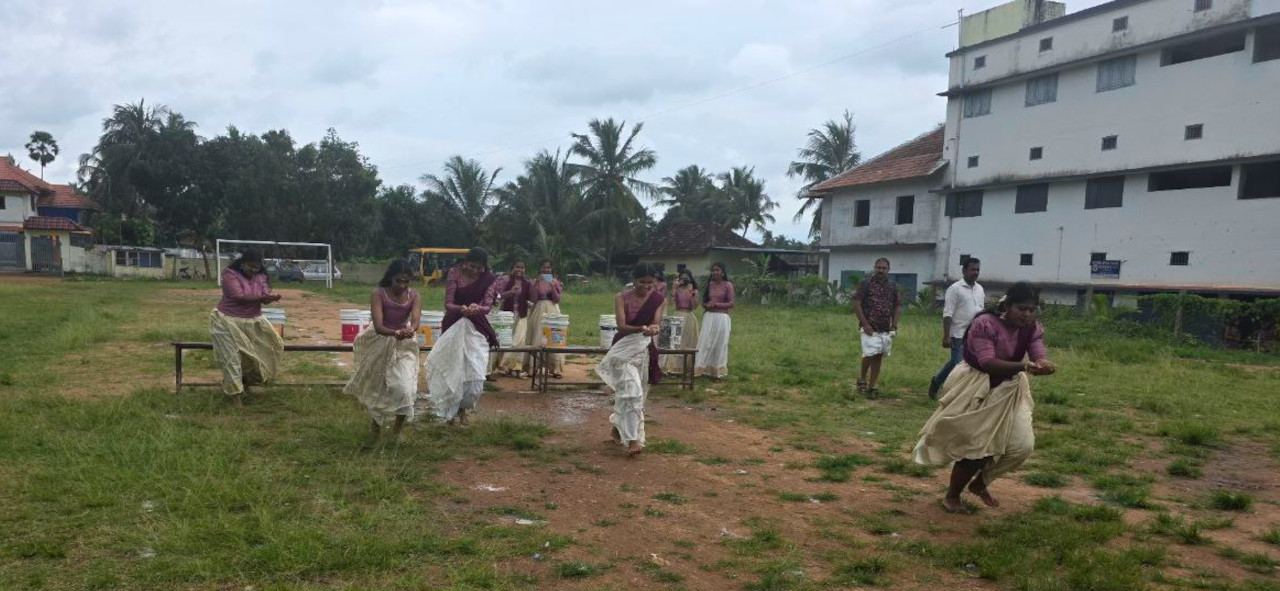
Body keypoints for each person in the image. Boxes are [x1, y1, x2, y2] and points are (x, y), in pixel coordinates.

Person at [912, 282, 1057, 512]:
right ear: (1007, 306)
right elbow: (987, 362)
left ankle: (980, 483)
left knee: (1022, 446)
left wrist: (1043, 363)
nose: (1027, 314)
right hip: (977, 383)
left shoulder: (1032, 327)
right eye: (1021, 308)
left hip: (1011, 388)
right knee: (977, 447)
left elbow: (1038, 352)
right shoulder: (985, 323)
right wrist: (1026, 366)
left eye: (1031, 309)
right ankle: (952, 497)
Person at [344, 259, 421, 445]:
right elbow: (379, 326)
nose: (402, 286)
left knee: (405, 388)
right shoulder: (379, 294)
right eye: (398, 281)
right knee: (378, 386)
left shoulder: (414, 295)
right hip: (380, 340)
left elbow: (416, 320)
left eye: (406, 282)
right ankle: (375, 428)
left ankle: (397, 431)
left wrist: (410, 330)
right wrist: (395, 333)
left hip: (404, 344)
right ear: (390, 278)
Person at [595, 263, 666, 456]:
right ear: (633, 280)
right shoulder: (621, 297)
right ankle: (634, 439)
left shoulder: (659, 299)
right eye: (642, 282)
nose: (646, 286)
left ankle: (618, 428)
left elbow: (656, 323)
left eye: (650, 283)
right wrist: (642, 329)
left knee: (634, 395)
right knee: (632, 392)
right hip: (623, 349)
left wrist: (654, 329)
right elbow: (621, 325)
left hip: (644, 350)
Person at [425, 248, 502, 425]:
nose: (475, 271)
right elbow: (448, 303)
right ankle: (450, 410)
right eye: (472, 266)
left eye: (479, 268)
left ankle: (464, 408)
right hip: (454, 324)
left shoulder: (489, 279)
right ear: (465, 262)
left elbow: (488, 306)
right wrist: (461, 308)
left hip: (476, 327)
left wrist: (477, 308)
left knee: (475, 370)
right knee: (453, 368)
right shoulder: (454, 274)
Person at [210, 250, 285, 406]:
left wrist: (269, 298)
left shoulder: (261, 276)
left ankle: (245, 386)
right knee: (232, 359)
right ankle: (233, 396)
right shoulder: (229, 275)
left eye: (256, 267)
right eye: (251, 266)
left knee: (265, 351)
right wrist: (263, 297)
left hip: (252, 321)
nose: (253, 270)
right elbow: (239, 296)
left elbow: (263, 298)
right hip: (227, 321)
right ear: (243, 263)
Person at [929, 258, 985, 400]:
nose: (975, 272)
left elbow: (981, 311)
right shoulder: (955, 289)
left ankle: (963, 393)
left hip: (975, 334)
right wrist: (946, 336)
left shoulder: (980, 289)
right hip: (958, 333)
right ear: (964, 271)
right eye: (972, 269)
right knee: (956, 362)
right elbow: (948, 313)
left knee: (971, 365)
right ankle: (937, 382)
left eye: (977, 269)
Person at [852, 258, 901, 399]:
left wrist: (894, 324)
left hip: (885, 327)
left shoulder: (893, 286)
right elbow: (856, 302)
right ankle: (862, 379)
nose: (881, 270)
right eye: (878, 267)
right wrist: (865, 323)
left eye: (884, 268)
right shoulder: (866, 283)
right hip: (869, 326)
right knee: (869, 354)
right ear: (874, 268)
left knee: (879, 355)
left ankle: (872, 386)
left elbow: (898, 305)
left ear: (888, 270)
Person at [526, 259, 565, 379]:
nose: (546, 270)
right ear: (540, 269)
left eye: (548, 268)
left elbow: (557, 299)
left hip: (553, 309)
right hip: (539, 308)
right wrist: (536, 284)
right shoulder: (534, 281)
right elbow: (533, 298)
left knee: (554, 337)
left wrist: (553, 286)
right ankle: (533, 368)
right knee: (538, 335)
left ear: (551, 269)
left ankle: (555, 368)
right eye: (543, 267)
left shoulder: (556, 282)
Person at [694, 262, 734, 379]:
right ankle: (701, 368)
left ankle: (717, 372)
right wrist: (707, 305)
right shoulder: (710, 284)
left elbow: (731, 303)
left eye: (717, 270)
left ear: (723, 272)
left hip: (722, 318)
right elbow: (704, 301)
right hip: (709, 317)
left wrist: (716, 304)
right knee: (705, 342)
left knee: (720, 344)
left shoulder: (728, 285)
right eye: (713, 270)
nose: (714, 272)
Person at [495, 261, 534, 377]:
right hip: (507, 315)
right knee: (505, 340)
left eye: (522, 267)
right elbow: (497, 296)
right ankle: (503, 366)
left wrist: (530, 302)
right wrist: (510, 293)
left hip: (521, 315)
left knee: (519, 341)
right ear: (512, 268)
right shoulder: (505, 280)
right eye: (517, 267)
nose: (520, 270)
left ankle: (516, 367)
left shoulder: (527, 282)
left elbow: (531, 298)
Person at [662, 269, 700, 375]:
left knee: (689, 342)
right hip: (678, 315)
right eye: (682, 278)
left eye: (686, 278)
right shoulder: (677, 290)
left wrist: (691, 292)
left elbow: (695, 306)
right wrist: (674, 289)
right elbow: (671, 303)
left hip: (689, 316)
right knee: (675, 342)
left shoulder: (694, 290)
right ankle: (673, 368)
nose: (684, 280)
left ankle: (687, 368)